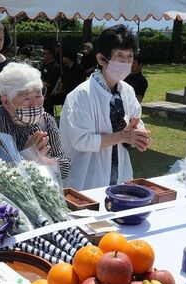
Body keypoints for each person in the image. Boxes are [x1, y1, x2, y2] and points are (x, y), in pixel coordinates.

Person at [60, 24, 152, 191]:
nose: (126, 63)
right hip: (87, 179)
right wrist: (122, 136)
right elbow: (81, 140)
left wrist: (138, 135)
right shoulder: (81, 95)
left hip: (120, 174)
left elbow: (135, 120)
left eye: (130, 57)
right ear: (101, 59)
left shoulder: (127, 91)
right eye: (119, 57)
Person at [0, 62, 70, 178]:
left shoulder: (46, 120)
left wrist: (41, 160)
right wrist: (25, 157)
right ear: (6, 102)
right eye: (26, 98)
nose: (35, 104)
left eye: (38, 96)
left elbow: (65, 169)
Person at [47, 49, 85, 113]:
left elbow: (80, 84)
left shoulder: (79, 69)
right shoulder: (66, 68)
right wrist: (58, 91)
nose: (63, 58)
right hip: (65, 93)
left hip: (75, 94)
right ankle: (50, 119)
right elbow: (62, 81)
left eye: (64, 57)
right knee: (49, 99)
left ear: (68, 58)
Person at [40, 45, 61, 116]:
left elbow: (50, 84)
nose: (43, 55)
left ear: (51, 55)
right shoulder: (43, 64)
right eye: (43, 53)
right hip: (41, 87)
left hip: (49, 91)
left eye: (45, 54)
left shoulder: (55, 67)